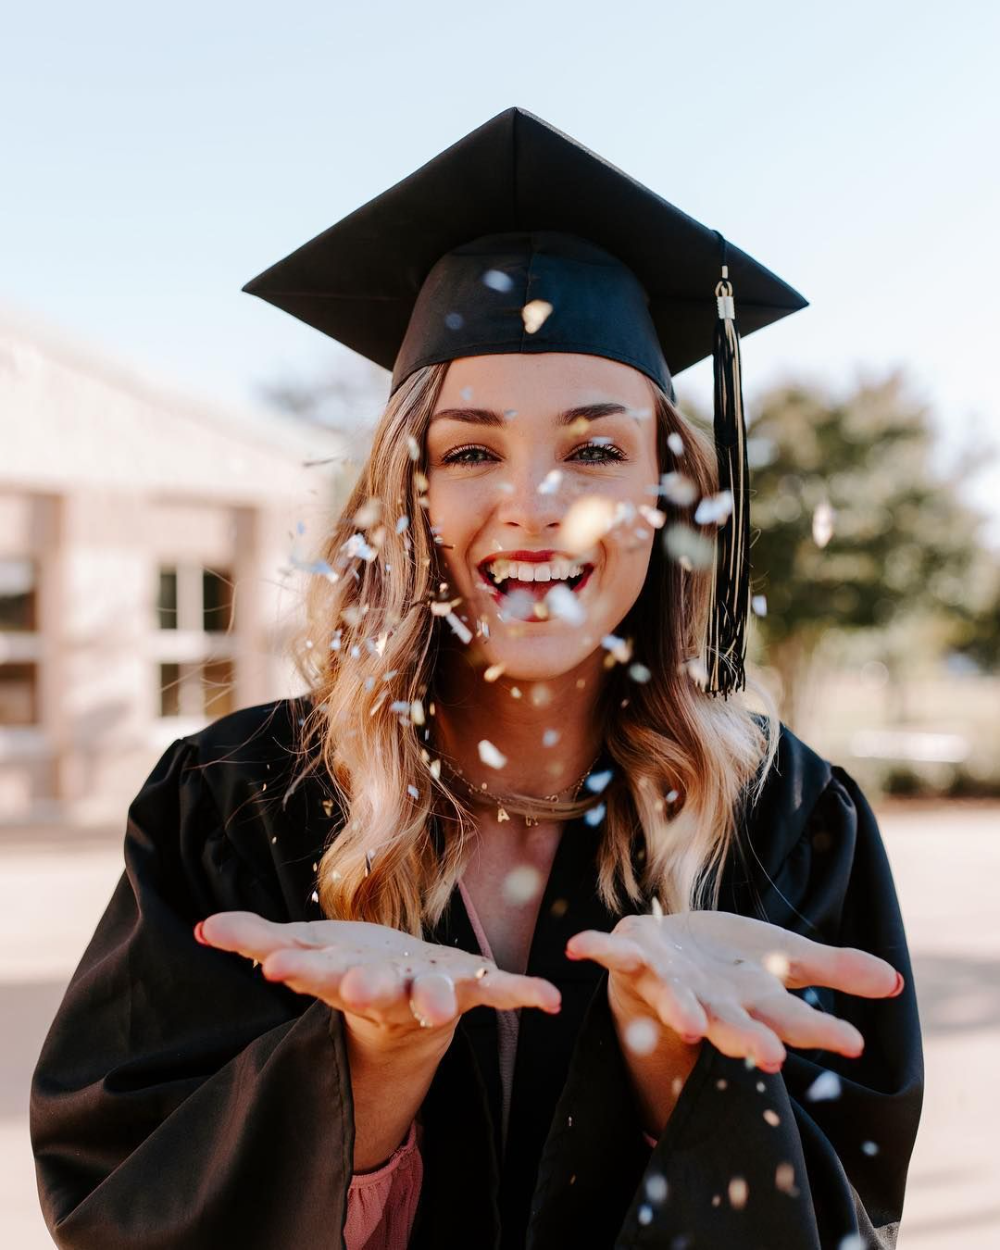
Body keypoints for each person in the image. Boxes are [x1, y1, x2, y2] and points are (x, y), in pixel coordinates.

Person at [30, 108, 923, 1250]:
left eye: (597, 447)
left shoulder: (784, 819)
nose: (537, 500)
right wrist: (365, 1064)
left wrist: (672, 1062)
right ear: (405, 497)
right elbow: (120, 1203)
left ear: (671, 493)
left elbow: (850, 1217)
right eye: (469, 451)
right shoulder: (237, 796)